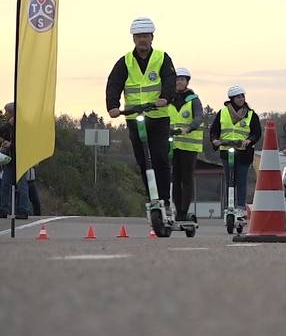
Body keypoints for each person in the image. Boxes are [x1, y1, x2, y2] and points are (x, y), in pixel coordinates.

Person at [105, 17, 176, 211]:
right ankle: (152, 198)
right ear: (133, 39)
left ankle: (164, 200)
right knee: (143, 159)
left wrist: (165, 97)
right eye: (138, 37)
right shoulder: (125, 61)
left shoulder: (162, 58)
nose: (142, 40)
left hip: (158, 116)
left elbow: (170, 80)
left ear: (152, 37)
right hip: (134, 117)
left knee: (160, 157)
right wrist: (113, 105)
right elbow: (114, 84)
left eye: (145, 36)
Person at [209, 86, 262, 214]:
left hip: (244, 152)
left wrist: (249, 140)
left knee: (241, 180)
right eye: (238, 97)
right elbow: (214, 130)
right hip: (227, 151)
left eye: (243, 96)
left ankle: (241, 208)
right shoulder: (223, 112)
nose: (241, 99)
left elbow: (257, 132)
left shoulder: (250, 114)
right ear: (232, 99)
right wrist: (215, 140)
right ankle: (229, 207)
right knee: (229, 180)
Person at [168, 67, 203, 221]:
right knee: (175, 179)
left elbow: (198, 117)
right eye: (177, 79)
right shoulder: (169, 99)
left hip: (189, 146)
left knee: (186, 179)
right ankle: (177, 210)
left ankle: (184, 211)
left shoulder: (193, 99)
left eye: (182, 80)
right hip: (172, 146)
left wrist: (188, 128)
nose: (179, 82)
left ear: (187, 82)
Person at [0, 102, 30, 219]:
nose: (5, 113)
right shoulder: (8, 126)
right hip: (10, 160)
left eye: (6, 111)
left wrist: (10, 145)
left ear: (11, 112)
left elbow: (24, 142)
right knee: (5, 184)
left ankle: (23, 210)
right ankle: (3, 209)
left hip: (20, 159)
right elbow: (1, 131)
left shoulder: (23, 126)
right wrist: (4, 142)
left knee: (22, 185)